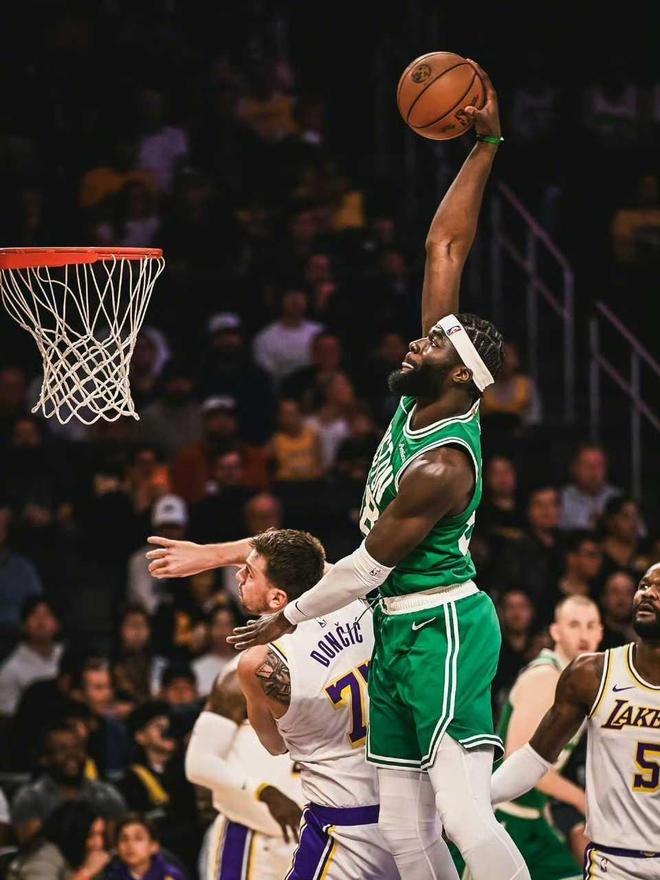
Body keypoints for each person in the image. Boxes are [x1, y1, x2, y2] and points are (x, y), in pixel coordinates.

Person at [154, 63, 529, 880]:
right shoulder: (430, 391)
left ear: (460, 373)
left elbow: (361, 568)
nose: (416, 341)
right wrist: (486, 144)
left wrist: (284, 620)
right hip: (396, 625)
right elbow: (445, 244)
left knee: (463, 812)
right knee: (405, 829)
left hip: (442, 625)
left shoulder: (442, 465)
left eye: (431, 343)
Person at [165, 529, 396, 879]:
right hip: (378, 810)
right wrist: (213, 555)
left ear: (277, 598)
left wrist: (211, 555)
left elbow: (275, 746)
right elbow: (301, 555)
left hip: (333, 819)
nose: (238, 576)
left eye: (248, 573)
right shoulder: (354, 602)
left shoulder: (259, 666)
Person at [491, 564, 660, 879]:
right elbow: (531, 758)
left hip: (537, 816)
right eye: (643, 585)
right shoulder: (588, 675)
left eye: (659, 589)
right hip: (610, 860)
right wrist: (474, 802)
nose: (648, 593)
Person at [493, 596, 603, 880]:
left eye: (590, 625)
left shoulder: (578, 682)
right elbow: (519, 761)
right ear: (555, 632)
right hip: (501, 814)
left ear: (600, 632)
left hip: (534, 817)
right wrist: (582, 800)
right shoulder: (545, 676)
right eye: (574, 625)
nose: (583, 634)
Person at [11, 721, 125, 844]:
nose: (72, 755)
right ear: (45, 759)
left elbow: (116, 844)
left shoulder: (106, 794)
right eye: (62, 749)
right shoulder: (30, 797)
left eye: (77, 748)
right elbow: (31, 849)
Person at [7, 801, 111, 880]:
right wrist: (86, 873)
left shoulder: (82, 857)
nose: (99, 843)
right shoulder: (44, 857)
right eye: (91, 835)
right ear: (74, 835)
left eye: (102, 835)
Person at [0, 597, 62, 716]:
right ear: (24, 625)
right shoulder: (10, 670)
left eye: (47, 615)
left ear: (57, 624)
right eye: (34, 615)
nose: (41, 621)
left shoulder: (68, 656)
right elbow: (7, 716)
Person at [252, 289, 323, 384]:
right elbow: (266, 375)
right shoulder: (265, 338)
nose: (295, 301)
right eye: (290, 296)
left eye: (299, 297)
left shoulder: (319, 332)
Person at [103, 815, 187, 880]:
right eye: (124, 839)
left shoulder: (170, 876)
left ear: (154, 846)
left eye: (138, 838)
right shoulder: (112, 877)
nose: (130, 845)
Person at [558, 444, 620, 531]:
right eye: (587, 465)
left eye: (598, 465)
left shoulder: (617, 497)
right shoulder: (561, 499)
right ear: (574, 469)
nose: (593, 471)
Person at [192, 606, 238, 697]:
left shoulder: (246, 662)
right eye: (218, 625)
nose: (223, 631)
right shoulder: (197, 668)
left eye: (227, 624)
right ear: (209, 629)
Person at [556, 531, 602, 599]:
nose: (598, 561)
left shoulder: (600, 595)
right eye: (591, 555)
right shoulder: (549, 592)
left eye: (599, 556)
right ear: (571, 558)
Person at [599, 570, 637, 649]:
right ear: (604, 597)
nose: (621, 598)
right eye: (615, 592)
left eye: (628, 593)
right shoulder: (596, 636)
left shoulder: (643, 637)